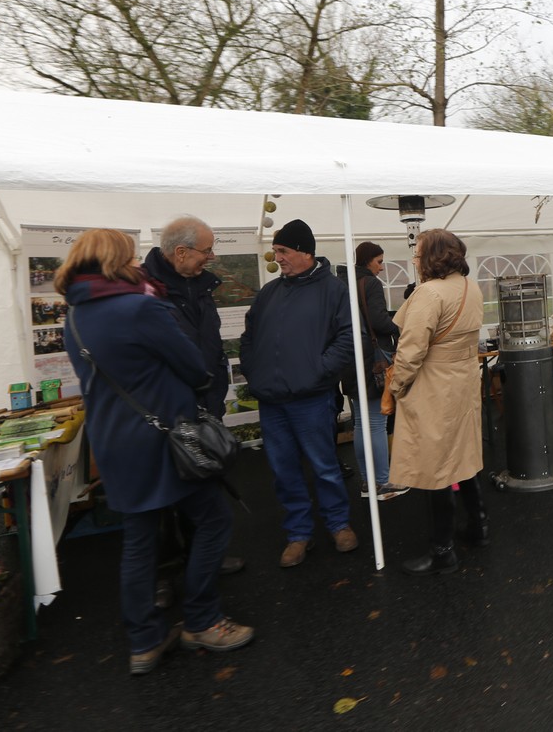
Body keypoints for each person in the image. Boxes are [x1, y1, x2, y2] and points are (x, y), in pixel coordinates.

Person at [58, 229, 253, 676]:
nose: (136, 263)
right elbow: (193, 366)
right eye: (129, 256)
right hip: (164, 438)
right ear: (114, 260)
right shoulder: (140, 307)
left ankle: (144, 642)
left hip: (113, 442)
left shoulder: (74, 316)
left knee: (139, 541)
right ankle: (202, 620)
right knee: (213, 520)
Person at [239, 219, 359, 568]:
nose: (277, 258)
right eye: (276, 251)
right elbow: (249, 337)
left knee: (324, 466)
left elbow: (349, 337)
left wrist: (318, 370)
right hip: (272, 400)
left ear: (306, 252)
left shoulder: (334, 290)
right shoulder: (269, 294)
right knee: (283, 471)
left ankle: (338, 525)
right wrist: (254, 371)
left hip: (311, 398)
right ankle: (298, 534)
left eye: (283, 251)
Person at [141, 215, 243, 608]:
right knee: (167, 496)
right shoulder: (145, 290)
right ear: (181, 252)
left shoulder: (199, 284)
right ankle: (166, 575)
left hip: (204, 402)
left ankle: (204, 559)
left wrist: (215, 392)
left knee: (204, 481)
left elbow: (208, 340)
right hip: (167, 410)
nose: (212, 257)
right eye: (207, 250)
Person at [388, 228, 489, 576]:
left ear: (433, 256)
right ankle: (479, 526)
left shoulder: (430, 294)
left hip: (434, 388)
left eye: (418, 254)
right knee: (464, 456)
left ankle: (443, 551)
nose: (414, 260)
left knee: (436, 469)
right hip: (463, 384)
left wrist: (396, 388)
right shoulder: (470, 286)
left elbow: (410, 352)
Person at [338, 242, 408, 501]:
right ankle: (382, 482)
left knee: (360, 424)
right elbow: (378, 321)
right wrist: (398, 327)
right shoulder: (371, 283)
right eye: (379, 261)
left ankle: (368, 481)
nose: (381, 267)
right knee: (377, 423)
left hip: (349, 359)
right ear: (367, 260)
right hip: (373, 362)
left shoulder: (341, 283)